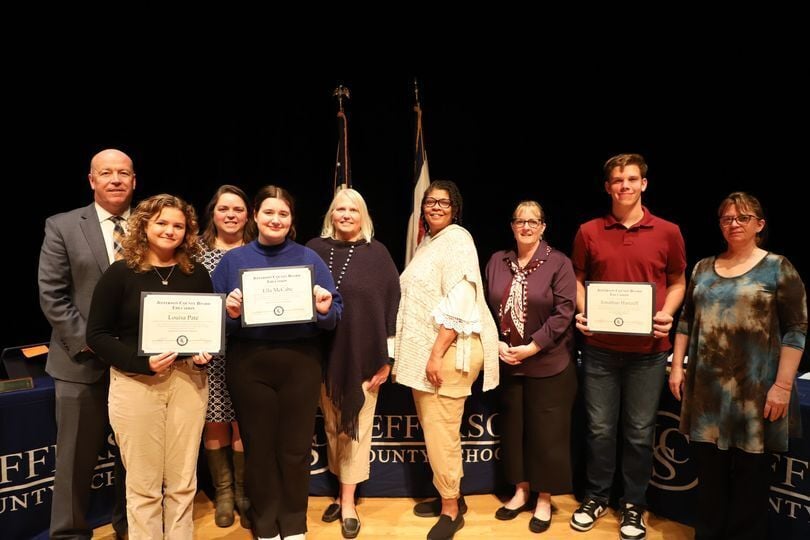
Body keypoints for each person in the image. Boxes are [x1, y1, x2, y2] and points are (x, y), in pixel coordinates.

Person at [669, 192, 807, 540]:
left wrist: (783, 386)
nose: (733, 224)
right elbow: (685, 321)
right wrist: (676, 367)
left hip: (756, 396)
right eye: (727, 218)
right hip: (707, 396)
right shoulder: (702, 267)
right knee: (710, 483)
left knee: (751, 485)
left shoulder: (778, 267)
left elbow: (797, 329)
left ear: (759, 224)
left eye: (742, 218)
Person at [212, 185, 342, 540]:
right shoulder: (232, 261)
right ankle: (266, 523)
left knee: (295, 449)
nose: (275, 219)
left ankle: (294, 523)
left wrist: (325, 308)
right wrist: (231, 313)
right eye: (269, 212)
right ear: (255, 216)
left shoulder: (309, 258)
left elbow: (334, 314)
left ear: (291, 220)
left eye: (283, 214)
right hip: (249, 364)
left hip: (300, 362)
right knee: (259, 448)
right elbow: (212, 319)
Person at [570, 153, 686, 540]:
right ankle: (596, 496)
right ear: (608, 187)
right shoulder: (588, 230)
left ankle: (634, 503)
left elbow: (678, 281)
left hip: (649, 353)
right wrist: (584, 312)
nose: (625, 186)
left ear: (644, 184)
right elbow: (578, 278)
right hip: (599, 348)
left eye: (632, 179)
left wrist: (667, 312)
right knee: (600, 430)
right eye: (618, 180)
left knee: (638, 431)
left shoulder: (667, 231)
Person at [86, 194, 213, 539]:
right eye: (161, 223)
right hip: (134, 385)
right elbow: (96, 335)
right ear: (143, 225)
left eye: (178, 225)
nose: (170, 230)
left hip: (188, 383)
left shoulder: (196, 274)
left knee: (183, 482)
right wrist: (141, 363)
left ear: (187, 232)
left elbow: (206, 329)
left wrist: (204, 351)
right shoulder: (120, 273)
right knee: (142, 485)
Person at [393, 179, 499, 540]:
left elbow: (461, 299)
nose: (436, 207)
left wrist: (436, 353)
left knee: (441, 435)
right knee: (438, 431)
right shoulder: (429, 242)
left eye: (444, 202)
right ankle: (450, 496)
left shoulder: (457, 238)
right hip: (437, 350)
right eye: (430, 202)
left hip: (451, 350)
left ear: (455, 208)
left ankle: (452, 510)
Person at [38, 148, 133, 539]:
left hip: (137, 365)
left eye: (123, 173)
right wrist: (92, 343)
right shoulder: (62, 225)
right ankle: (69, 533)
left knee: (134, 460)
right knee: (76, 459)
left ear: (134, 180)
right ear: (91, 180)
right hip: (81, 363)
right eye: (106, 173)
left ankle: (132, 527)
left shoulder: (152, 224)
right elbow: (52, 295)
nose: (115, 179)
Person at [306, 188, 401, 539]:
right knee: (332, 429)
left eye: (353, 210)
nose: (346, 215)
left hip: (363, 360)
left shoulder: (378, 254)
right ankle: (341, 491)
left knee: (354, 431)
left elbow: (392, 309)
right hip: (321, 360)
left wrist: (387, 359)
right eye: (339, 209)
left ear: (363, 216)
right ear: (331, 214)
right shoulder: (313, 250)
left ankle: (348, 502)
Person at [484, 200, 577, 534]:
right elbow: (484, 307)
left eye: (533, 221)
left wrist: (533, 347)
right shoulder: (498, 261)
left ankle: (543, 498)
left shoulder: (558, 263)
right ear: (512, 226)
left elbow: (565, 312)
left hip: (549, 362)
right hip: (508, 362)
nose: (525, 226)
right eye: (519, 221)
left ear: (543, 227)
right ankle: (521, 491)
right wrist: (495, 343)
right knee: (515, 430)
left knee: (546, 436)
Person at [197, 184, 257, 529]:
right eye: (224, 209)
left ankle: (243, 494)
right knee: (215, 420)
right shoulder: (195, 254)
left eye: (237, 209)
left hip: (248, 350)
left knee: (242, 422)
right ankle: (223, 494)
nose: (231, 215)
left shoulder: (257, 252)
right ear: (213, 213)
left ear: (247, 215)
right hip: (209, 353)